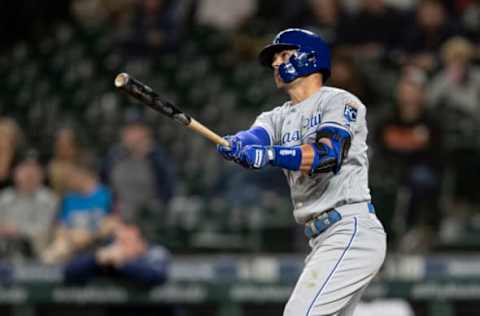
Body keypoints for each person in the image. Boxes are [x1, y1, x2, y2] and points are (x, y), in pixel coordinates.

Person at [216, 28, 386, 316]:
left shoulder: (339, 101)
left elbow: (328, 156)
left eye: (284, 54)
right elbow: (255, 137)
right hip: (320, 239)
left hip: (350, 228)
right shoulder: (277, 116)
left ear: (310, 57)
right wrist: (236, 145)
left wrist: (270, 154)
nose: (275, 63)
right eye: (274, 59)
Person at [0, 153, 58, 261]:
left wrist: (17, 230)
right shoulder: (4, 197)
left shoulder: (48, 199)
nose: (29, 174)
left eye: (35, 170)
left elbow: (43, 229)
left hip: (34, 248)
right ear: (15, 173)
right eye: (24, 169)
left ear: (42, 175)